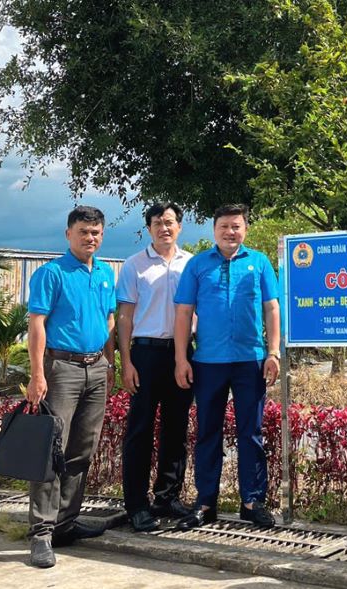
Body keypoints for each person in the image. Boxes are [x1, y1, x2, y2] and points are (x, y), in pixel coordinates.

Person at [173, 203, 281, 529]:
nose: (230, 232)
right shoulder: (198, 265)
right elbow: (182, 313)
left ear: (245, 229)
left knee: (251, 433)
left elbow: (272, 309)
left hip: (251, 361)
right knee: (207, 432)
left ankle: (252, 501)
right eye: (224, 226)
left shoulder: (259, 263)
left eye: (236, 226)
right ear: (214, 230)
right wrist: (181, 358)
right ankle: (206, 503)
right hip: (208, 362)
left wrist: (273, 353)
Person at [25, 206, 117, 568]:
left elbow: (110, 319)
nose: (90, 238)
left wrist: (109, 365)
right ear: (68, 234)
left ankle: (65, 523)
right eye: (83, 232)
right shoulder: (51, 273)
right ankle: (41, 533)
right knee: (51, 450)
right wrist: (37, 374)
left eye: (95, 232)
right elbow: (37, 324)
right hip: (60, 368)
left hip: (96, 368)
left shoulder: (107, 273)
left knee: (81, 450)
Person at [116, 203, 194, 532]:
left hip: (182, 354)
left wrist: (185, 357)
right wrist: (126, 362)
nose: (164, 228)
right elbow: (125, 317)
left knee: (176, 429)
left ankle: (167, 496)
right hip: (145, 354)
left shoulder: (191, 264)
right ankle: (136, 504)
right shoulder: (134, 265)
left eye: (170, 222)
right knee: (140, 430)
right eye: (158, 223)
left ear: (179, 227)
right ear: (148, 228)